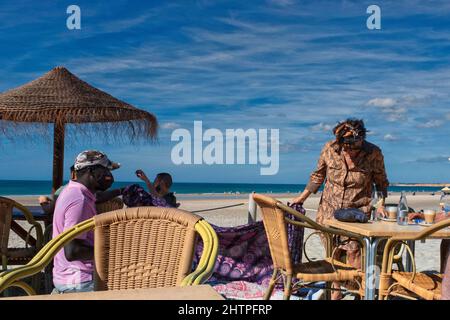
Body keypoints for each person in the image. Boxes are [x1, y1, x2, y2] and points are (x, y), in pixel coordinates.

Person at [291, 118, 389, 299]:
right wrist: (301, 198)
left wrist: (381, 204)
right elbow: (318, 175)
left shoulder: (373, 153)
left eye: (355, 146)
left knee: (354, 252)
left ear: (362, 138)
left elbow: (381, 182)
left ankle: (358, 290)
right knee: (334, 252)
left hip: (357, 211)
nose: (350, 151)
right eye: (347, 147)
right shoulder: (330, 148)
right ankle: (337, 291)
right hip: (329, 211)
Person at [52, 150, 120, 293]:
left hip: (69, 276)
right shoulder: (79, 200)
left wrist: (121, 191)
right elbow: (73, 251)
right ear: (91, 171)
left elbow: (98, 197)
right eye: (105, 171)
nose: (109, 176)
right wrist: (112, 252)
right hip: (81, 281)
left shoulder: (74, 191)